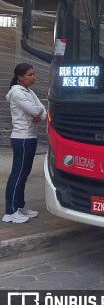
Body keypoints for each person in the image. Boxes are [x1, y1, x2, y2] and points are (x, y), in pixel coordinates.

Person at [3, 63, 45, 224]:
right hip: (22, 138)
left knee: (24, 174)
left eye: (33, 74)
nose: (33, 77)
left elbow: (41, 111)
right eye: (29, 74)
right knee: (18, 174)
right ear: (20, 77)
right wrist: (38, 112)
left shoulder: (29, 91)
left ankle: (19, 206)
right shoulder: (17, 93)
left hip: (30, 137)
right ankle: (10, 211)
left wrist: (38, 112)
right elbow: (37, 111)